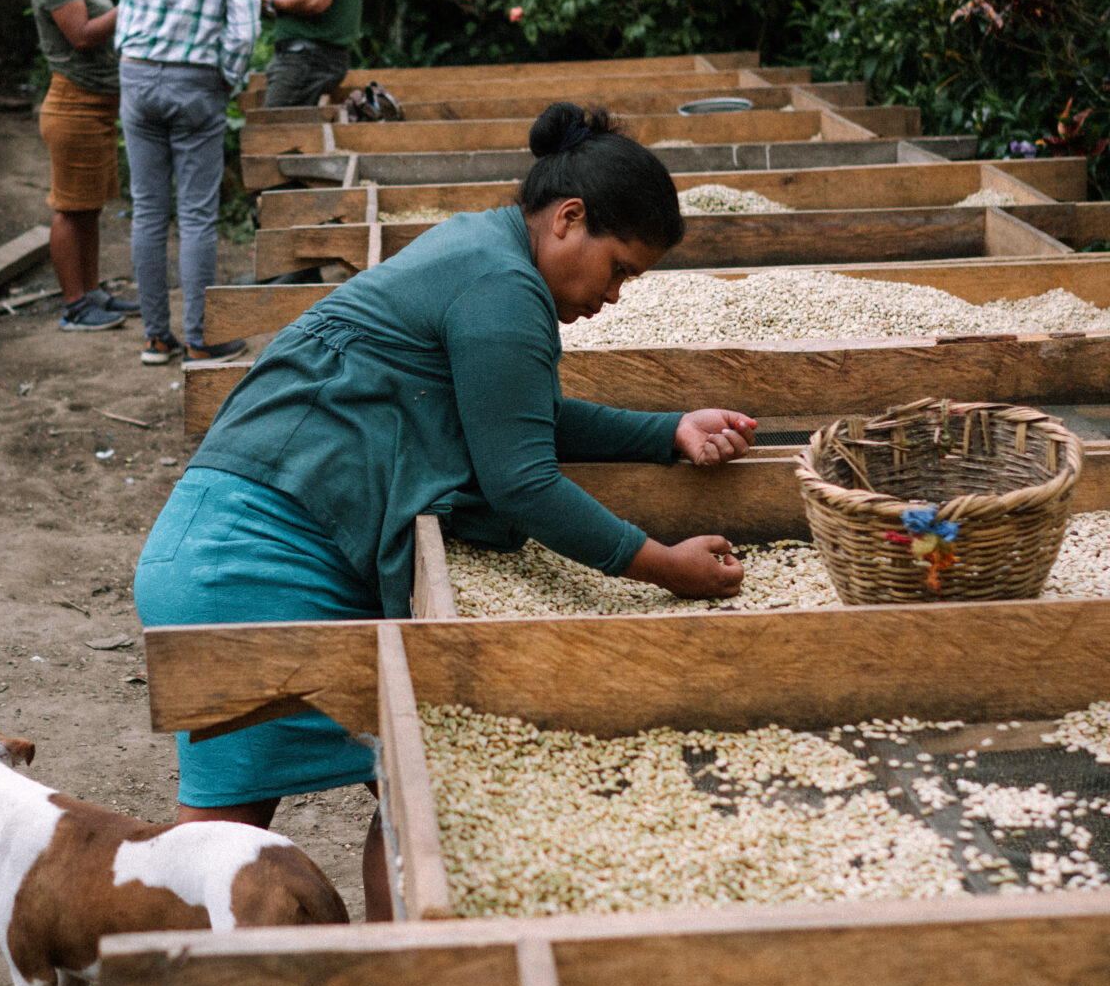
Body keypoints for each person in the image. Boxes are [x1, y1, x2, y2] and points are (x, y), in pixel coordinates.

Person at [135, 104, 756, 937]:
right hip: (255, 561)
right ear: (569, 220)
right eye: (619, 270)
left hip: (220, 539)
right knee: (386, 811)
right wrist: (659, 565)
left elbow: (514, 415)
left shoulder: (484, 246)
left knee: (361, 808)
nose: (613, 297)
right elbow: (522, 482)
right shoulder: (502, 284)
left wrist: (666, 434)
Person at [58, 0, 258, 366]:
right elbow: (243, 31)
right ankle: (198, 340)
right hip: (197, 85)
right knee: (195, 216)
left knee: (148, 211)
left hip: (139, 80)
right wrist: (226, 82)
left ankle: (154, 337)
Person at [8, 0, 132, 332]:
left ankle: (92, 292)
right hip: (73, 106)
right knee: (69, 207)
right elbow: (82, 34)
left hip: (95, 106)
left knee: (89, 206)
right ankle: (74, 305)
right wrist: (133, 2)